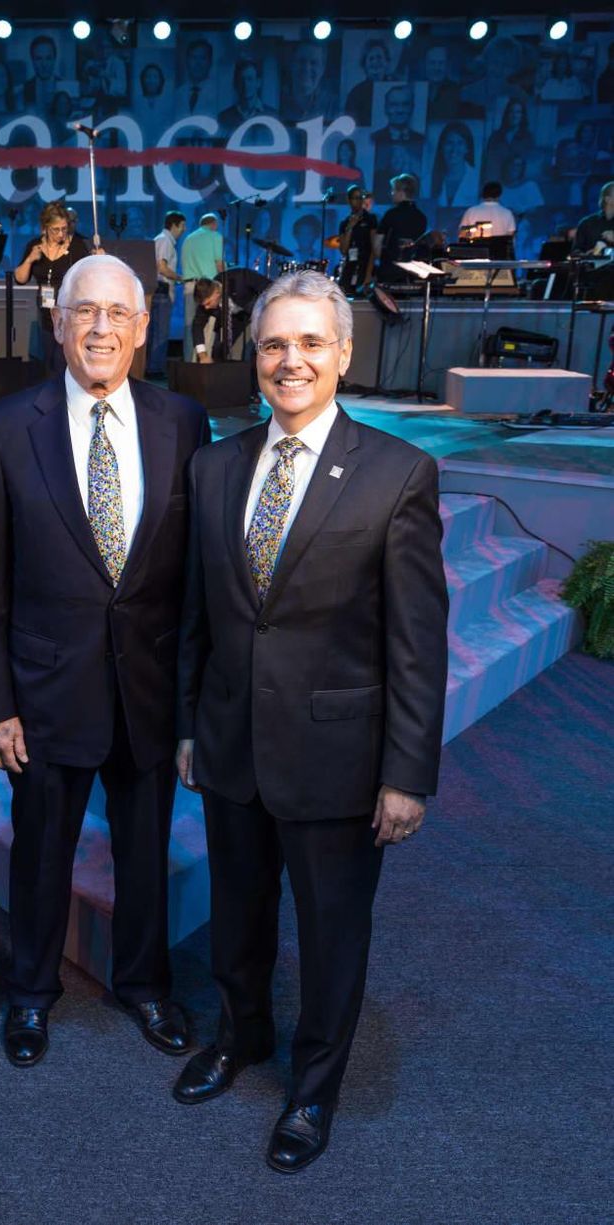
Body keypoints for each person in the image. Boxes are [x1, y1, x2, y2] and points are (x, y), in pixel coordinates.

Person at [171, 269, 448, 1174]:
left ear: (345, 353)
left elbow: (417, 642)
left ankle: (314, 1085)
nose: (291, 361)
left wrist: (406, 772)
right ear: (255, 357)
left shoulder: (399, 474)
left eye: (310, 343)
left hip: (339, 755)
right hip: (230, 745)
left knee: (332, 934)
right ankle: (240, 1034)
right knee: (238, 914)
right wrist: (188, 727)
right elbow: (199, 620)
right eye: (275, 345)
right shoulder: (215, 465)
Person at [0, 253, 210, 1070]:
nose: (101, 328)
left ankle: (145, 985)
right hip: (42, 690)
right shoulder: (4, 427)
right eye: (85, 312)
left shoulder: (183, 420)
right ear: (58, 323)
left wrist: (189, 704)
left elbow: (187, 578)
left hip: (144, 685)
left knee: (146, 850)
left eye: (119, 314)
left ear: (145, 328)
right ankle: (31, 994)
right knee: (40, 852)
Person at [14, 200, 89, 372]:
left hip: (69, 311)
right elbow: (20, 278)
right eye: (56, 229)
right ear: (45, 227)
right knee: (47, 359)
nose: (61, 234)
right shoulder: (35, 246)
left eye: (64, 229)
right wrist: (30, 259)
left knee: (62, 360)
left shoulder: (77, 246)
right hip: (46, 313)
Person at [181, 213, 225, 360]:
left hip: (189, 288)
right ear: (214, 224)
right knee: (207, 329)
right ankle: (206, 362)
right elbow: (219, 265)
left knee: (191, 328)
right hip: (209, 290)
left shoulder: (188, 238)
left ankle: (189, 363)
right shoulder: (215, 236)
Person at [147, 209, 186, 376]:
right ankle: (155, 369)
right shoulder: (164, 241)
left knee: (157, 331)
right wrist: (180, 278)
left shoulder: (163, 240)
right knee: (160, 333)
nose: (184, 229)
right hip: (161, 291)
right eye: (182, 226)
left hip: (159, 291)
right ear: (174, 225)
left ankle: (153, 367)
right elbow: (161, 267)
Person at [371, 84, 425, 201]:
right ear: (386, 108)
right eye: (394, 105)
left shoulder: (423, 141)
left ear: (412, 108)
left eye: (405, 104)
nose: (400, 110)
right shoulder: (374, 139)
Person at [373, 174, 427, 283]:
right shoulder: (421, 217)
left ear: (401, 192)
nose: (391, 193)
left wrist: (382, 260)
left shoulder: (391, 215)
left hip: (389, 271)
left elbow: (376, 245)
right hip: (412, 273)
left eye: (393, 190)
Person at [190, 278, 247, 362]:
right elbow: (197, 326)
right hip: (227, 327)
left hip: (251, 317)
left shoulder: (239, 280)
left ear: (216, 293)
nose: (206, 307)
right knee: (218, 353)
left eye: (208, 303)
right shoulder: (204, 306)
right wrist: (203, 355)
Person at [430, 121, 479, 209]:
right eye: (449, 143)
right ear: (441, 147)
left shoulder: (479, 179)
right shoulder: (427, 180)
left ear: (467, 148)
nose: (454, 149)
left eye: (460, 143)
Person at [343, 38, 391, 127]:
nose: (375, 62)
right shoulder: (356, 93)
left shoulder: (398, 88)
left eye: (379, 57)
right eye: (371, 58)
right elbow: (350, 125)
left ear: (387, 62)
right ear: (364, 65)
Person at [337, 186, 376, 293]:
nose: (359, 201)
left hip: (365, 266)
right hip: (350, 267)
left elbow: (374, 249)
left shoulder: (371, 219)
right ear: (349, 200)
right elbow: (344, 250)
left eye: (361, 198)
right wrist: (350, 228)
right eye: (355, 198)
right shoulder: (344, 223)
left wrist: (368, 275)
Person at [573, 182, 614, 254]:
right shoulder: (587, 223)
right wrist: (589, 255)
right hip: (594, 264)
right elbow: (576, 252)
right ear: (607, 199)